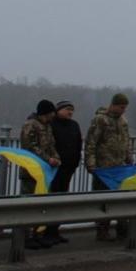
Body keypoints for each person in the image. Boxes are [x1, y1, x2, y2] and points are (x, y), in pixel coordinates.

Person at [85, 93, 133, 241]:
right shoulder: (100, 120)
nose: (123, 110)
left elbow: (125, 142)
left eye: (125, 107)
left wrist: (128, 158)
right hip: (103, 168)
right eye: (121, 107)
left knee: (121, 201)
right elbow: (91, 143)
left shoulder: (123, 122)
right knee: (103, 201)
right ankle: (102, 230)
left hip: (119, 169)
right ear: (113, 105)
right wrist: (91, 164)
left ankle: (122, 230)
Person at [19, 100, 61, 250]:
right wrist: (47, 159)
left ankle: (37, 235)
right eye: (51, 113)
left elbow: (51, 146)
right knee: (29, 204)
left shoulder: (47, 127)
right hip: (31, 172)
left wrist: (56, 158)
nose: (53, 116)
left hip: (44, 173)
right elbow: (29, 147)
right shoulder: (30, 125)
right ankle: (26, 236)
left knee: (40, 205)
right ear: (45, 113)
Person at [46, 100, 81, 243]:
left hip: (69, 167)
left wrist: (76, 161)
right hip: (54, 169)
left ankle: (55, 230)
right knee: (50, 200)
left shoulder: (74, 125)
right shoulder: (51, 125)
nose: (70, 112)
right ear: (58, 110)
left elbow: (79, 144)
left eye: (72, 110)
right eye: (67, 109)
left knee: (60, 201)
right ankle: (46, 231)